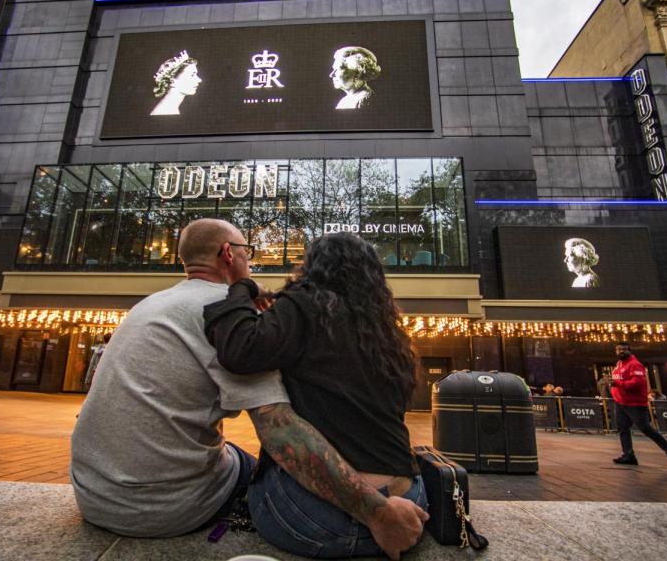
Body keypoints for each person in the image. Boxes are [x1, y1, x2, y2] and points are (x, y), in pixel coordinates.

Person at [70, 219, 425, 559]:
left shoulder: (148, 305)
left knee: (243, 460)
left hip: (92, 492)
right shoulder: (224, 314)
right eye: (248, 252)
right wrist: (377, 512)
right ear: (229, 253)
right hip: (161, 508)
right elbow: (281, 432)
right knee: (261, 461)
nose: (251, 262)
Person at [204, 232, 427, 558]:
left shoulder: (306, 303)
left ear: (314, 267)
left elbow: (240, 349)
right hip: (410, 505)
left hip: (324, 520)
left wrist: (243, 287)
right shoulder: (387, 334)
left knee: (246, 473)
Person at [609, 342, 667, 468]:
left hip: (635, 403)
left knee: (645, 428)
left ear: (630, 351)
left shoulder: (635, 364)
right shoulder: (619, 364)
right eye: (618, 349)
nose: (621, 351)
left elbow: (637, 383)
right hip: (620, 402)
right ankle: (628, 454)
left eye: (623, 349)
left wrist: (619, 384)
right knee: (622, 428)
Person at [150, 50, 201, 116]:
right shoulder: (164, 111)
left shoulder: (171, 109)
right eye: (192, 75)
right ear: (172, 80)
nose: (200, 80)